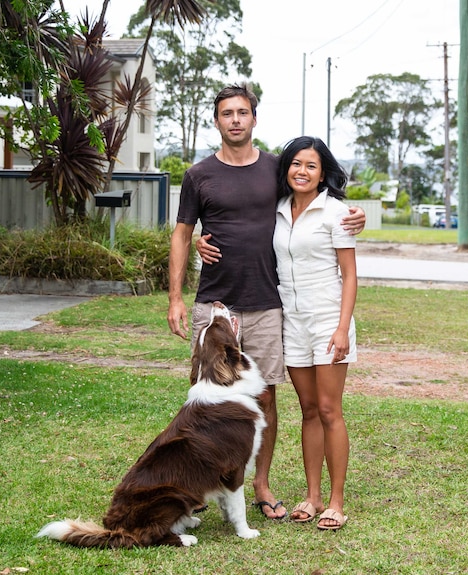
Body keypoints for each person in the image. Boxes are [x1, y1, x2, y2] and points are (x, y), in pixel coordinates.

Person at [167, 85, 365, 520]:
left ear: (255, 119)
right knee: (208, 397)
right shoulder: (199, 175)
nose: (235, 120)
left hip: (266, 304)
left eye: (242, 112)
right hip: (215, 305)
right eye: (226, 113)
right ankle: (204, 483)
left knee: (267, 399)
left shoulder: (278, 170)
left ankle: (260, 483)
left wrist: (356, 215)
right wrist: (176, 296)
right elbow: (182, 233)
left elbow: (315, 196)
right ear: (216, 121)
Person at [273, 136, 355, 531]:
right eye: (296, 164)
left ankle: (336, 501)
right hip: (292, 322)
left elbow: (350, 276)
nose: (302, 171)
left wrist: (342, 329)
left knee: (328, 410)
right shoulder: (276, 210)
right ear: (286, 167)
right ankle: (312, 495)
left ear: (323, 174)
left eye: (311, 166)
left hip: (327, 322)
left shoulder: (335, 212)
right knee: (307, 411)